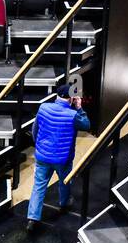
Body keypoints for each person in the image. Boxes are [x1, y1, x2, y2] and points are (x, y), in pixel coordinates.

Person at [27, 83, 91, 233]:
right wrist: (79, 107)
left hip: (42, 156)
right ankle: (64, 203)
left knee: (39, 186)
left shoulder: (43, 107)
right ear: (71, 99)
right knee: (64, 181)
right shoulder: (74, 115)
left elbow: (35, 130)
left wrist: (39, 147)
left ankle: (32, 218)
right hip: (63, 159)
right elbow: (87, 125)